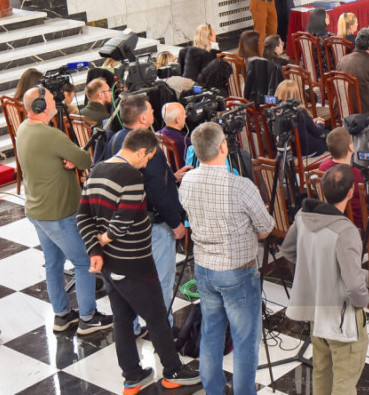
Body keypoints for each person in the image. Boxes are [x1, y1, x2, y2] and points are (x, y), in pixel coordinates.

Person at [77, 129, 200, 393]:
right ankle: (173, 371)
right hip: (134, 261)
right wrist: (105, 239)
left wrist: (95, 250)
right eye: (148, 158)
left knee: (122, 319)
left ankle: (132, 375)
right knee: (156, 316)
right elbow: (125, 218)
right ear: (141, 151)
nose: (145, 165)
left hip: (109, 264)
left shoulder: (97, 170)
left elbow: (82, 216)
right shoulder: (131, 175)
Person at [179, 123, 274, 395]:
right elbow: (265, 229)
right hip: (236, 271)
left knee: (211, 332)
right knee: (245, 340)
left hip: (204, 268)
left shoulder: (187, 180)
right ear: (223, 147)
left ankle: (214, 390)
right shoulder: (240, 186)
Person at [16, 86, 111, 335]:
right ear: (40, 106)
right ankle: (88, 317)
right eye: (50, 99)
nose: (56, 102)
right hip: (58, 213)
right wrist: (72, 159)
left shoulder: (23, 128)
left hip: (37, 210)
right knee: (84, 261)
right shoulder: (51, 135)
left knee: (53, 264)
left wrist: (66, 160)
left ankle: (62, 315)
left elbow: (59, 158)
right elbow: (85, 160)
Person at [97, 93, 188, 335]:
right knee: (162, 280)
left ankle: (133, 327)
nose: (154, 113)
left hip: (124, 222)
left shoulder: (115, 139)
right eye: (151, 110)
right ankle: (163, 331)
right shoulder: (147, 145)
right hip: (152, 224)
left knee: (132, 281)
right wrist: (176, 222)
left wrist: (171, 176)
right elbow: (157, 190)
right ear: (143, 118)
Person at [280, 165, 369, 395]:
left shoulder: (303, 217)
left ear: (323, 190)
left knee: (322, 374)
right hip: (341, 317)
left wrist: (315, 270)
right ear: (351, 192)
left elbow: (287, 250)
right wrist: (362, 302)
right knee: (344, 382)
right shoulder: (345, 231)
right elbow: (354, 286)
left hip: (316, 312)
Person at [319, 126, 365, 230]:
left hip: (333, 221)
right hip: (359, 225)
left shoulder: (322, 166)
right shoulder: (356, 175)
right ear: (350, 147)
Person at [275, 80, 327, 157]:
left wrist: (312, 121)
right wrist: (320, 123)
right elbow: (316, 131)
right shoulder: (300, 111)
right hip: (308, 150)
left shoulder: (276, 112)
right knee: (326, 138)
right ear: (296, 95)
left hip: (291, 151)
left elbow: (300, 126)